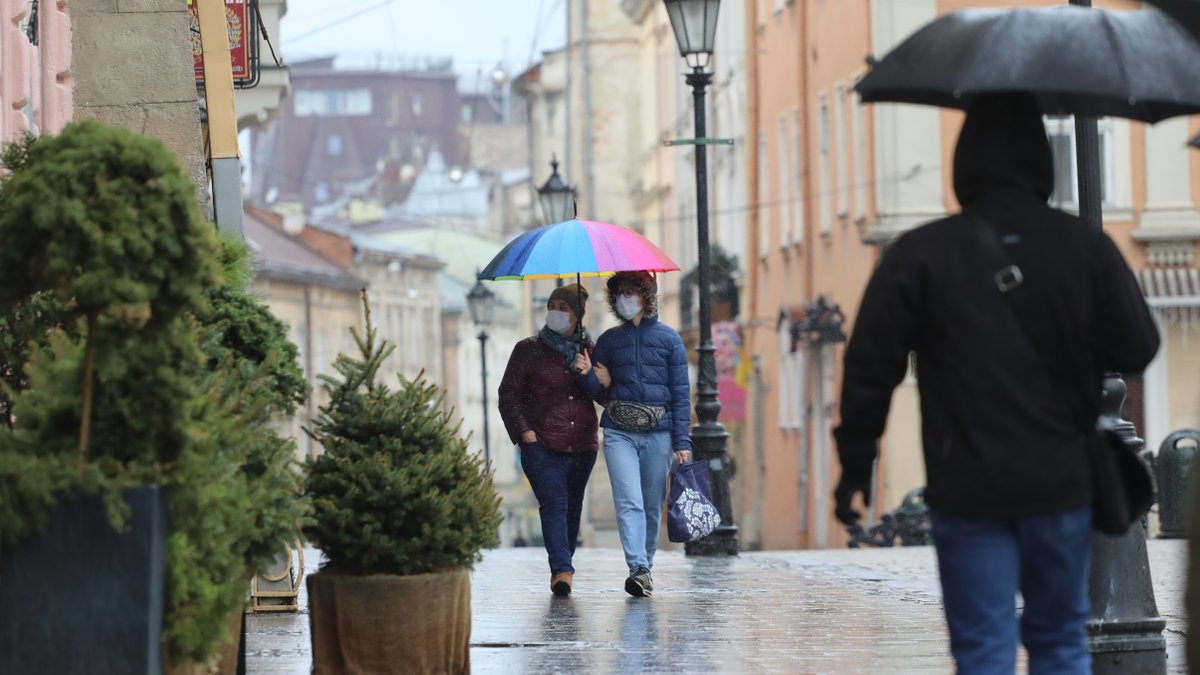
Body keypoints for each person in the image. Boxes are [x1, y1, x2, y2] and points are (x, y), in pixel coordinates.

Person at [832, 93, 1159, 674]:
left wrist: (855, 470)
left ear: (965, 162)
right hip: (1061, 483)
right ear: (1041, 160)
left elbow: (869, 369)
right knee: (1060, 642)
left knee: (983, 649)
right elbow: (1139, 346)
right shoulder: (1084, 247)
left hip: (968, 486)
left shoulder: (920, 254)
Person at [579, 270, 692, 598]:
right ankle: (637, 568)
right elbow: (596, 393)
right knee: (628, 501)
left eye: (631, 292)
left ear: (646, 295)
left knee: (652, 503)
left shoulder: (670, 340)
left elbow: (681, 393)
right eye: (619, 293)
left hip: (659, 433)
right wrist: (590, 376)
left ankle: (646, 566)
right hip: (618, 432)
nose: (624, 299)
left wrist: (682, 440)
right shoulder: (609, 341)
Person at [498, 283, 598, 597]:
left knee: (572, 508)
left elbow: (604, 395)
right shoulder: (527, 349)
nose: (556, 311)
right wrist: (525, 432)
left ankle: (563, 562)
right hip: (542, 445)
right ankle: (562, 571)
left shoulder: (590, 350)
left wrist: (588, 375)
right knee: (554, 504)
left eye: (564, 307)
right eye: (553, 305)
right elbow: (508, 395)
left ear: (577, 315)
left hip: (582, 443)